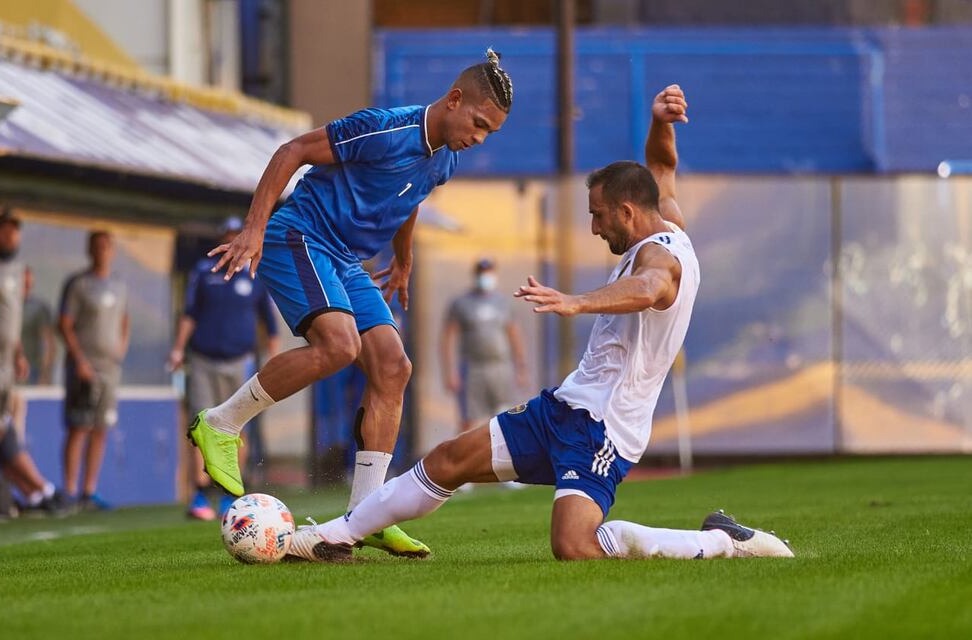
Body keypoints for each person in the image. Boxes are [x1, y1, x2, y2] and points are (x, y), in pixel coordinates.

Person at [288, 85, 794, 562]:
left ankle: (721, 542)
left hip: (603, 430)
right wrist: (662, 122)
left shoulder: (663, 262)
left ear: (626, 211)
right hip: (564, 407)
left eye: (598, 216)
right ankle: (330, 537)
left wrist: (576, 302)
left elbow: (645, 291)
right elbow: (662, 163)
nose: (594, 227)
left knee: (574, 546)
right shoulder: (666, 217)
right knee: (447, 460)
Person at [187, 49, 513, 558]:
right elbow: (290, 152)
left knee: (393, 367)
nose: (479, 138)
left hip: (343, 258)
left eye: (490, 133)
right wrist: (252, 231)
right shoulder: (384, 129)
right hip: (299, 235)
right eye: (478, 124)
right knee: (338, 346)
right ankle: (221, 423)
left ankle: (369, 517)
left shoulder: (445, 158)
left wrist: (403, 260)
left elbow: (411, 198)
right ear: (454, 100)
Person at [168, 217, 280, 520]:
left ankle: (231, 494)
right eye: (229, 236)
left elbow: (269, 324)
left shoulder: (254, 276)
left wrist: (274, 358)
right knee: (201, 425)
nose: (235, 241)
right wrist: (178, 349)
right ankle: (200, 493)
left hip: (239, 361)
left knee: (236, 427)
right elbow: (190, 313)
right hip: (204, 359)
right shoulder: (205, 273)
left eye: (238, 235)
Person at [58, 230, 130, 511]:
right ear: (90, 250)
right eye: (97, 246)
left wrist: (121, 348)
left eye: (106, 246)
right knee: (80, 426)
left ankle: (89, 490)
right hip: (83, 368)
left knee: (101, 427)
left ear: (112, 251)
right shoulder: (78, 284)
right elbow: (64, 324)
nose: (102, 251)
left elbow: (125, 319)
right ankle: (70, 490)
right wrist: (79, 361)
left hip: (109, 369)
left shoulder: (119, 285)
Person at [442, 258, 528, 433]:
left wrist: (521, 368)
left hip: (500, 367)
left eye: (488, 273)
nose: (485, 278)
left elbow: (514, 335)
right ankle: (461, 458)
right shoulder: (461, 303)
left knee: (505, 417)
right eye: (482, 274)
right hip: (473, 368)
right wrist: (450, 372)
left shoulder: (504, 302)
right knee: (468, 420)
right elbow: (448, 338)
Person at [0, 208, 29, 471]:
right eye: (5, 230)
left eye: (14, 231)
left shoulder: (17, 271)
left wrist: (18, 353)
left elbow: (13, 317)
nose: (10, 235)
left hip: (6, 363)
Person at [22, 267, 57, 386]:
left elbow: (48, 342)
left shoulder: (39, 309)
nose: (25, 287)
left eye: (28, 284)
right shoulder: (4, 307)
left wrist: (46, 373)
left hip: (33, 370)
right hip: (7, 369)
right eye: (23, 283)